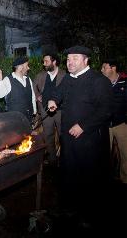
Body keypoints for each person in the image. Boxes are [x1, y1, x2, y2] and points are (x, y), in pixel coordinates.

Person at [47, 46, 113, 229]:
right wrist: (52, 100)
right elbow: (57, 93)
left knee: (89, 177)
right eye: (68, 59)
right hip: (69, 139)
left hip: (90, 141)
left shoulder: (99, 81)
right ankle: (69, 208)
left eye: (75, 58)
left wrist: (83, 126)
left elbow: (106, 111)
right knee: (69, 173)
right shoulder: (69, 78)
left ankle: (90, 214)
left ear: (86, 60)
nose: (70, 62)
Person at [33, 52, 66, 164]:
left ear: (54, 62)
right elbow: (34, 88)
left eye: (46, 61)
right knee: (48, 135)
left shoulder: (64, 75)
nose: (44, 64)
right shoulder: (40, 75)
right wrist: (38, 96)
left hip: (60, 111)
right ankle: (52, 159)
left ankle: (64, 159)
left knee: (63, 135)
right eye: (44, 61)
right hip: (45, 110)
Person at [101, 59, 127, 184]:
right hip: (105, 125)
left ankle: (125, 179)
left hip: (122, 124)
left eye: (104, 67)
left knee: (125, 152)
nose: (101, 70)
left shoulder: (125, 83)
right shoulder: (101, 84)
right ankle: (105, 179)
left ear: (113, 68)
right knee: (103, 154)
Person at [0, 57, 37, 123]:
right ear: (20, 67)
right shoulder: (8, 80)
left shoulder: (28, 79)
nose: (28, 68)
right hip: (14, 119)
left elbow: (32, 96)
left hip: (28, 117)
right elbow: (0, 95)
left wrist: (34, 110)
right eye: (27, 66)